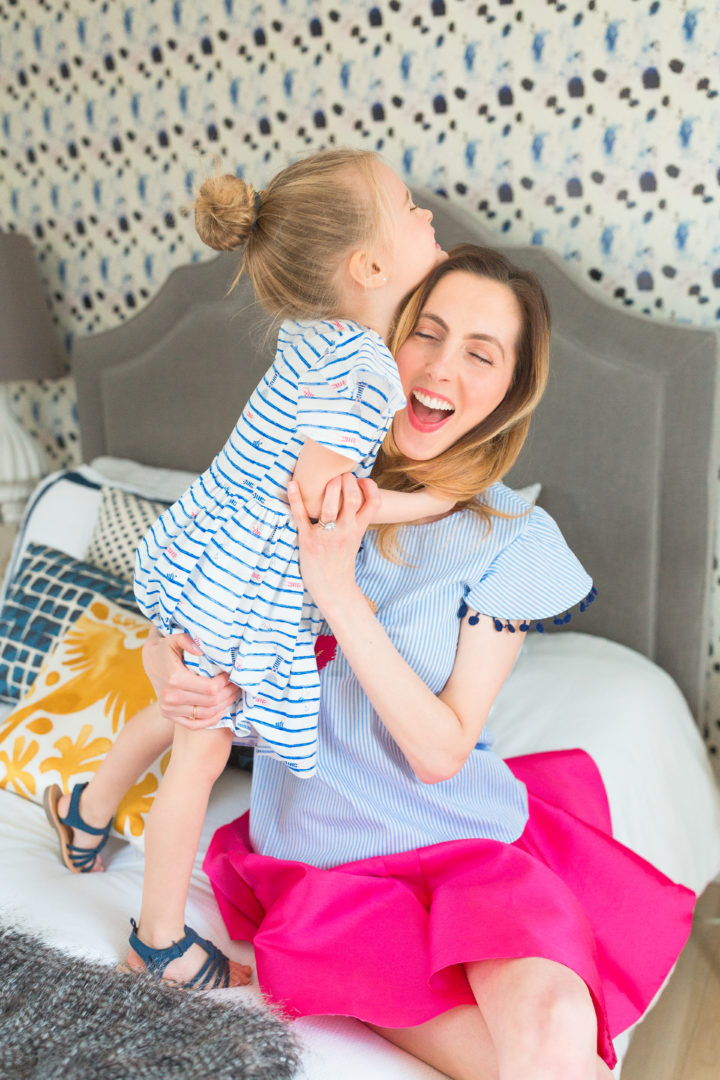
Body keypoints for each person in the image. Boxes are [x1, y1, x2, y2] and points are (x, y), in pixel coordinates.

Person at [143, 245, 694, 1077]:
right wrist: (168, 670)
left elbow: (440, 752)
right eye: (425, 334)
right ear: (384, 342)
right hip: (324, 862)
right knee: (518, 1053)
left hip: (461, 838)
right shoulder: (291, 489)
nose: (439, 369)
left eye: (480, 353)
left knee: (549, 1016)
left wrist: (338, 591)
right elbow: (186, 618)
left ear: (510, 391)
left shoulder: (510, 537)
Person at [44, 148, 452, 988]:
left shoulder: (316, 338)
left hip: (204, 558)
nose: (429, 217)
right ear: (370, 265)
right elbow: (323, 499)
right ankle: (159, 944)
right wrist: (432, 503)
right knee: (201, 746)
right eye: (411, 207)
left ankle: (84, 813)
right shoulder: (367, 367)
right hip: (241, 588)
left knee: (179, 708)